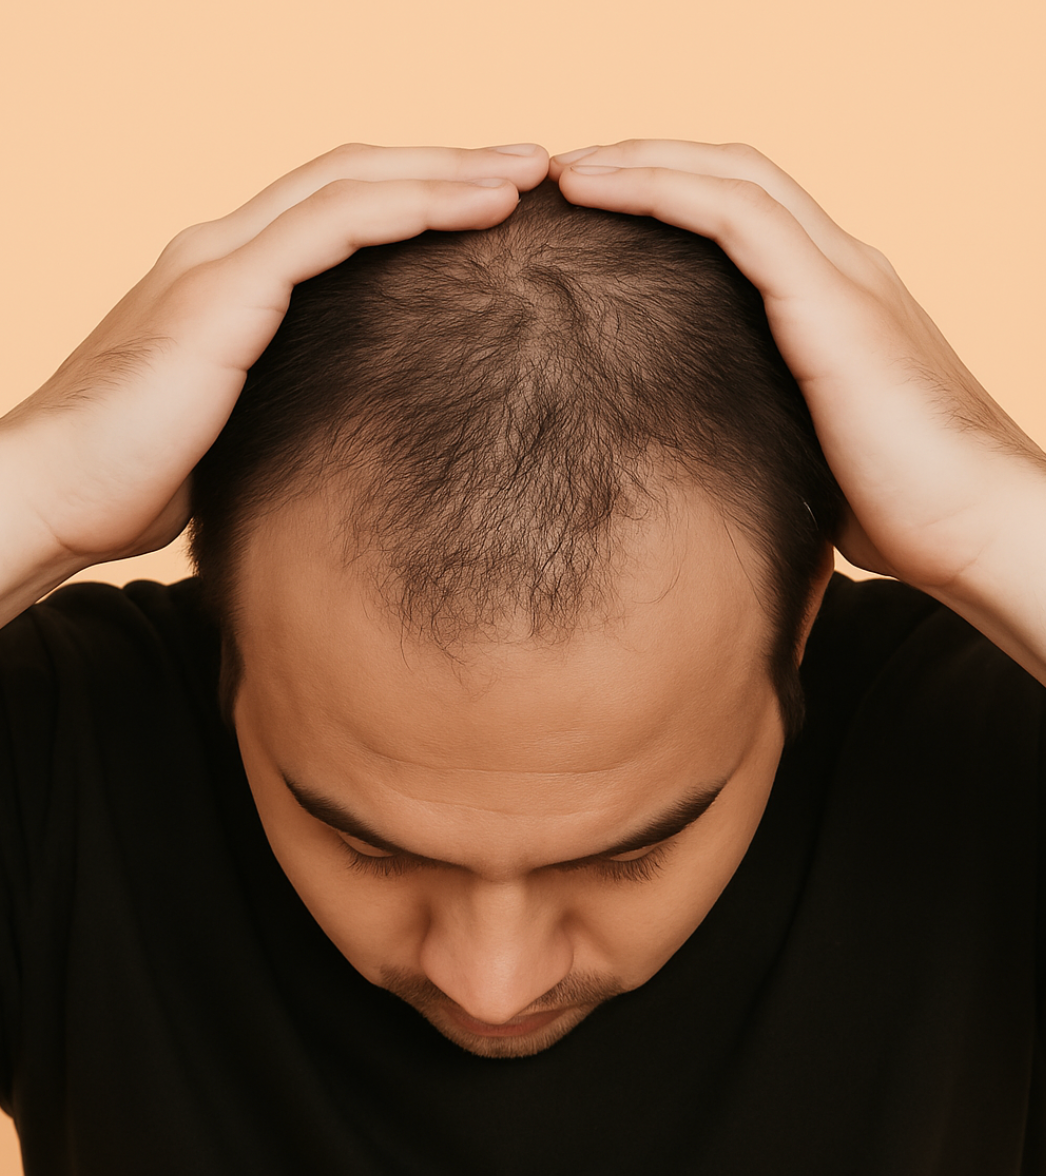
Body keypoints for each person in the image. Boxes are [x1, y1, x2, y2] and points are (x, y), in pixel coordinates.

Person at [0, 140, 1041, 1175]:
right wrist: (38, 488)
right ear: (228, 626)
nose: (489, 983)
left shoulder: (989, 750)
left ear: (801, 619)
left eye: (631, 856)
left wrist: (996, 521)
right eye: (364, 846)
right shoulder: (58, 763)